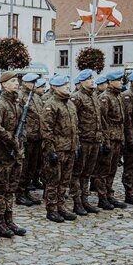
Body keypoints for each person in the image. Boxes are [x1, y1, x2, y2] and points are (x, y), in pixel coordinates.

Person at [0, 71, 27, 238]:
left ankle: (9, 219)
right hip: (2, 153)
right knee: (2, 188)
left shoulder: (16, 103)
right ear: (3, 84)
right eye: (12, 81)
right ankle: (0, 222)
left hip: (16, 152)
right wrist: (10, 138)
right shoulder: (0, 103)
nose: (16, 83)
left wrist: (20, 141)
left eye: (16, 81)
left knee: (11, 188)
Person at [41, 75, 78, 223]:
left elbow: (75, 127)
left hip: (70, 148)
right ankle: (51, 209)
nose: (67, 87)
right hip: (57, 149)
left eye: (67, 85)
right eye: (63, 85)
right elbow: (46, 130)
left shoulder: (69, 104)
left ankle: (61, 207)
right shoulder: (51, 104)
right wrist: (50, 151)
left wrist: (77, 145)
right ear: (55, 87)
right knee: (53, 181)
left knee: (65, 181)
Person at [70, 69, 102, 215]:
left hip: (94, 140)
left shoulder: (94, 96)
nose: (92, 81)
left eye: (92, 78)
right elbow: (73, 121)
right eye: (88, 79)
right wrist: (76, 142)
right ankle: (77, 202)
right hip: (83, 140)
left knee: (88, 172)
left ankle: (85, 200)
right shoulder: (77, 97)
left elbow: (98, 119)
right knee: (78, 172)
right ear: (82, 82)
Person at [94, 70, 127, 210]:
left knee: (113, 169)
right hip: (109, 138)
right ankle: (102, 197)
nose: (121, 82)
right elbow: (102, 121)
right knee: (103, 170)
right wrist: (105, 141)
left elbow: (122, 120)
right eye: (118, 80)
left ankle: (109, 194)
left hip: (118, 137)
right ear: (110, 82)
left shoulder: (118, 96)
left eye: (121, 80)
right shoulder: (105, 98)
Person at [16, 73, 42, 206]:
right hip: (27, 138)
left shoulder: (36, 97)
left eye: (35, 82)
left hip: (37, 136)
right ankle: (19, 193)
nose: (34, 84)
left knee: (32, 167)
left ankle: (26, 191)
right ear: (25, 83)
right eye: (31, 82)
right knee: (24, 168)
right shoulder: (20, 96)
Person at [122, 70, 133, 205]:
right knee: (130, 166)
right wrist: (129, 139)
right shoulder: (128, 95)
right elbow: (127, 119)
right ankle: (129, 193)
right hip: (132, 136)